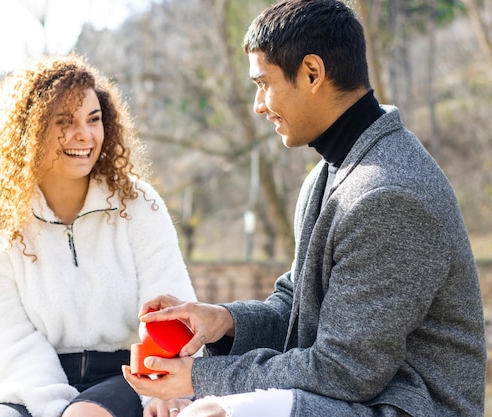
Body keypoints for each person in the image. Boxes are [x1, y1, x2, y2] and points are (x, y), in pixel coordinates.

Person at [122, 1, 486, 416]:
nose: (258, 105)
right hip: (360, 394)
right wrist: (223, 321)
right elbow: (297, 308)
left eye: (263, 83)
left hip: (408, 407)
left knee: (213, 412)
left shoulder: (388, 193)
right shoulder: (330, 174)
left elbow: (344, 369)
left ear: (312, 73)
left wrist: (200, 379)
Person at [0, 53, 198, 417]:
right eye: (64, 121)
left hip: (129, 376)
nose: (84, 134)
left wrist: (162, 389)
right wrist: (55, 409)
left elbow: (170, 306)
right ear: (30, 130)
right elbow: (3, 340)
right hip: (33, 381)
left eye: (93, 119)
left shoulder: (138, 204)